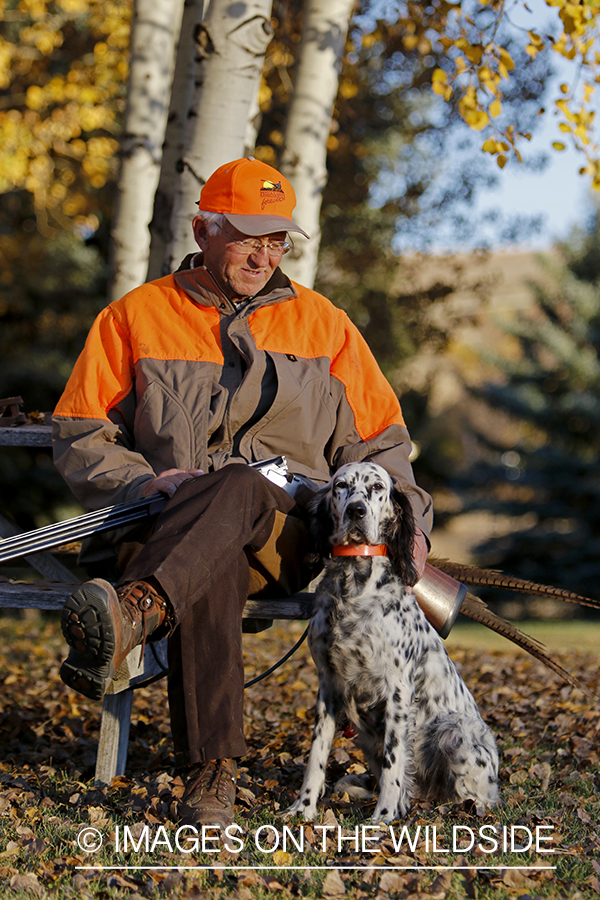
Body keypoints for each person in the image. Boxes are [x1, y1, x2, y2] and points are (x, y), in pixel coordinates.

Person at [52, 157, 433, 830]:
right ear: (204, 229)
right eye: (248, 235)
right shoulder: (135, 317)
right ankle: (213, 777)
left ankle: (137, 612)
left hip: (286, 541)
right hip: (165, 528)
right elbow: (80, 434)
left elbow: (380, 447)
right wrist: (146, 479)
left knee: (238, 486)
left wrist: (410, 530)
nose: (265, 253)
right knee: (211, 553)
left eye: (277, 239)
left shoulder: (327, 325)